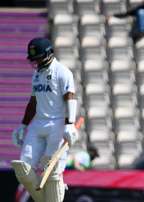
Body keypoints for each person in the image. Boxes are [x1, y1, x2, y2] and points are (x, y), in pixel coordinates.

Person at [11, 37, 78, 202]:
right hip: (38, 124)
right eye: (33, 59)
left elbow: (70, 98)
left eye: (38, 57)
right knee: (23, 168)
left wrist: (70, 124)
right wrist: (23, 125)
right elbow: (33, 102)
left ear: (48, 54)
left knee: (52, 171)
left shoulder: (63, 72)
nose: (36, 62)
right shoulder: (36, 75)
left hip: (57, 124)